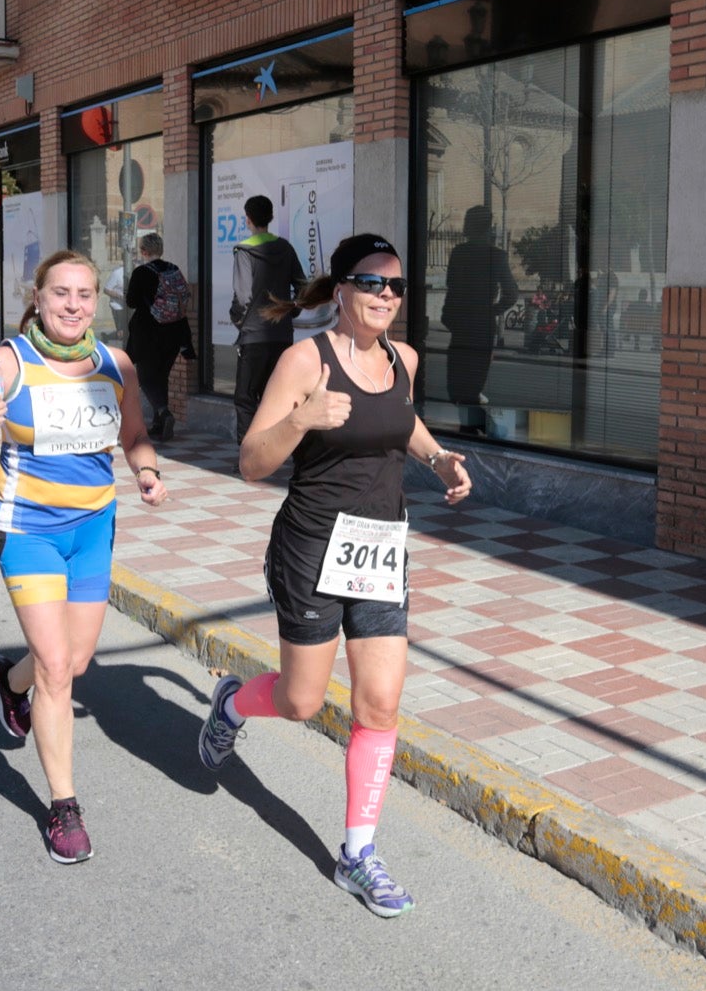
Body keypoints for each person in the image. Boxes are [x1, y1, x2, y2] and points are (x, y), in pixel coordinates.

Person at [197, 233, 471, 917]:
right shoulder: (303, 360)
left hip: (379, 549)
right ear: (341, 288)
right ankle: (233, 703)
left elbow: (401, 422)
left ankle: (359, 853)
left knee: (379, 703)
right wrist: (303, 417)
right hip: (311, 548)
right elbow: (252, 460)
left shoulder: (404, 358)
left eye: (397, 286)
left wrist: (439, 459)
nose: (387, 296)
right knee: (303, 701)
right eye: (372, 283)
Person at [0, 250, 168, 865]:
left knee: (76, 658)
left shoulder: (114, 364)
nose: (73, 305)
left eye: (85, 294)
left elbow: (133, 436)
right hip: (28, 529)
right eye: (61, 293)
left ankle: (7, 683)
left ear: (98, 302)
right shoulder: (5, 363)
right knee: (55, 667)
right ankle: (63, 806)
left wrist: (146, 472)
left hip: (94, 526)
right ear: (38, 297)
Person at [230, 194, 307, 441]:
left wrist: (238, 320)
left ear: (248, 219)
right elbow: (302, 285)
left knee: (245, 397)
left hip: (253, 336)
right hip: (282, 334)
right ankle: (274, 448)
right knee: (274, 395)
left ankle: (248, 453)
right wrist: (292, 309)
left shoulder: (244, 250)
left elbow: (243, 297)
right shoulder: (285, 247)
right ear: (271, 217)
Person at [442, 205, 518, 436]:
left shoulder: (459, 254)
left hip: (462, 325)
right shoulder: (497, 256)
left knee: (458, 386)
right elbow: (511, 293)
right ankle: (476, 427)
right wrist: (491, 310)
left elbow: (452, 288)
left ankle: (475, 428)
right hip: (481, 326)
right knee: (472, 385)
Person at [125, 232, 192, 441]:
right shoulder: (174, 269)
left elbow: (132, 302)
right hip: (174, 332)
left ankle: (164, 412)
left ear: (144, 251)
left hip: (148, 334)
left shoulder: (141, 272)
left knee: (145, 378)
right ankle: (158, 424)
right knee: (162, 377)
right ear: (160, 250)